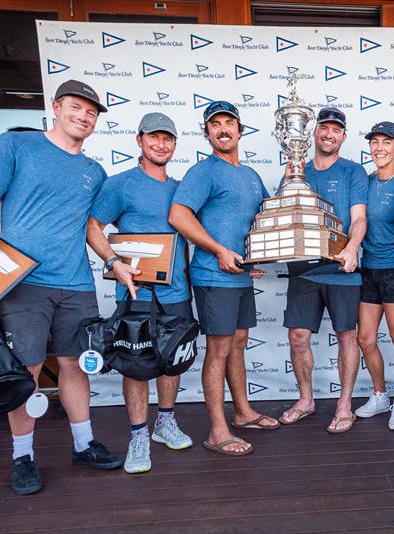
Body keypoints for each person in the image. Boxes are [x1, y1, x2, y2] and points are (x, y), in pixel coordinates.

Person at [0, 79, 122, 495]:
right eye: (77, 108)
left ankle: (83, 445)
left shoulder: (94, 172)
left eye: (92, 112)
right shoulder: (15, 147)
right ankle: (22, 455)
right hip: (22, 284)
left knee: (75, 364)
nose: (84, 116)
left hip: (76, 284)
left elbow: (91, 227)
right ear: (57, 107)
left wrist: (114, 261)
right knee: (25, 370)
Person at [169, 100, 279, 457]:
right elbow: (178, 216)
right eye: (214, 124)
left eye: (228, 123)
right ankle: (218, 430)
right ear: (207, 133)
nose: (222, 129)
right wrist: (218, 250)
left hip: (241, 276)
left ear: (239, 130)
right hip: (213, 276)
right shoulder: (204, 172)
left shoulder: (250, 175)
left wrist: (258, 255)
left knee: (239, 341)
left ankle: (243, 413)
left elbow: (264, 220)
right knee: (218, 349)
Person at [87, 112, 193, 474]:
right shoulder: (120, 185)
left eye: (168, 138)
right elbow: (93, 227)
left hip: (177, 290)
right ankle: (138, 436)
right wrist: (114, 261)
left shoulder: (182, 188)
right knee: (135, 365)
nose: (161, 144)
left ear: (175, 144)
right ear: (139, 140)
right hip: (136, 291)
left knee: (170, 358)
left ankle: (165, 423)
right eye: (154, 137)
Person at [277, 107, 368, 433]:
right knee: (298, 336)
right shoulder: (297, 169)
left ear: (343, 136)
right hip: (304, 268)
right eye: (324, 128)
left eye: (336, 130)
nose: (329, 134)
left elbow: (359, 217)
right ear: (314, 132)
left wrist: (352, 248)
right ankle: (306, 400)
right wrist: (288, 180)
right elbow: (283, 214)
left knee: (347, 336)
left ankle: (345, 405)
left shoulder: (353, 172)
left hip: (342, 267)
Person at [353, 121, 394, 430]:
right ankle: (380, 395)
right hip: (369, 268)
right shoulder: (365, 181)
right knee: (365, 338)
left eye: (386, 142)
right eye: (374, 142)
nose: (379, 148)